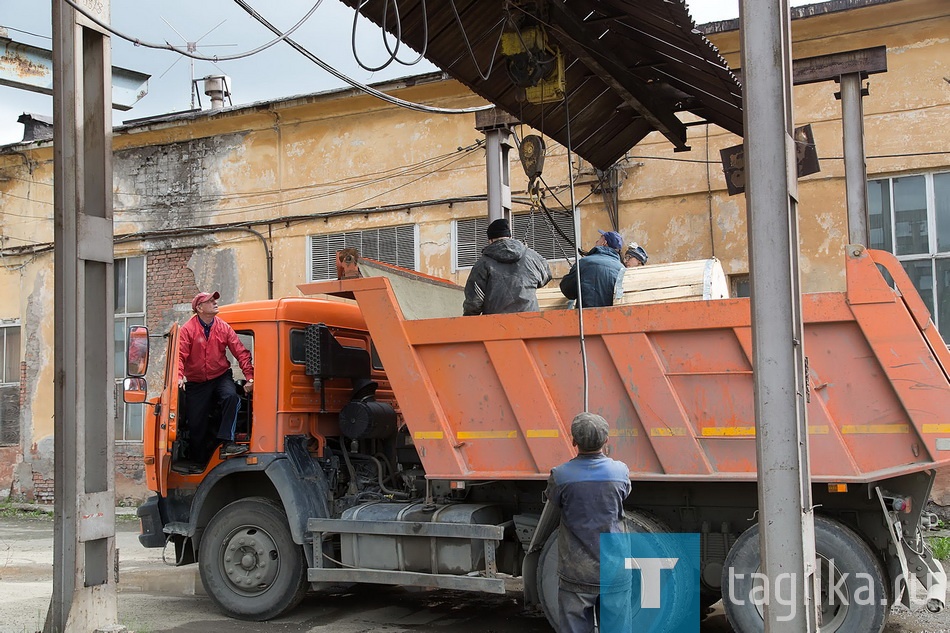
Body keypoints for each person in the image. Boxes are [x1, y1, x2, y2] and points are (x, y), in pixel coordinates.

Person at [546, 412, 631, 633]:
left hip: (576, 571)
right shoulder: (620, 472)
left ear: (574, 441)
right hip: (614, 569)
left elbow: (553, 500)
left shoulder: (560, 475)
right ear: (606, 441)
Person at [178, 291, 255, 459]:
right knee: (196, 424)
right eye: (210, 300)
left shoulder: (223, 327)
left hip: (220, 376)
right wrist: (178, 377)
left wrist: (250, 377)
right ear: (199, 308)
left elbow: (241, 352)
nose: (215, 302)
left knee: (231, 397)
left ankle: (228, 442)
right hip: (196, 382)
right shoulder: (187, 330)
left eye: (215, 300)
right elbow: (180, 356)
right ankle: (197, 460)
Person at [463, 218, 552, 316]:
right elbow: (546, 276)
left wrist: (468, 319)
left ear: (490, 240)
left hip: (497, 325)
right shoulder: (531, 256)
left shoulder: (482, 264)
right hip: (530, 322)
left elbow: (474, 302)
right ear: (509, 236)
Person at [559, 229, 624, 308]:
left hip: (585, 317)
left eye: (599, 239)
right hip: (612, 318)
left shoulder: (584, 263)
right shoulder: (622, 269)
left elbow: (568, 290)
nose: (596, 242)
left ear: (604, 243)